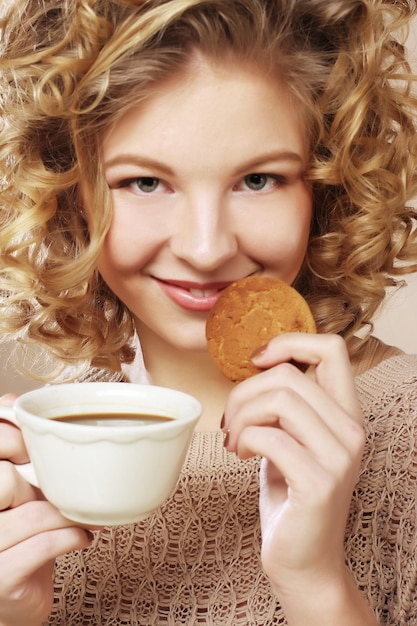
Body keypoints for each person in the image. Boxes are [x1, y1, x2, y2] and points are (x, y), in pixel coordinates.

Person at [1, 0, 417, 624]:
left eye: (258, 180)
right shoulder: (35, 463)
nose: (206, 248)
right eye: (144, 183)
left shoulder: (407, 435)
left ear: (326, 186)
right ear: (71, 197)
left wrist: (315, 585)